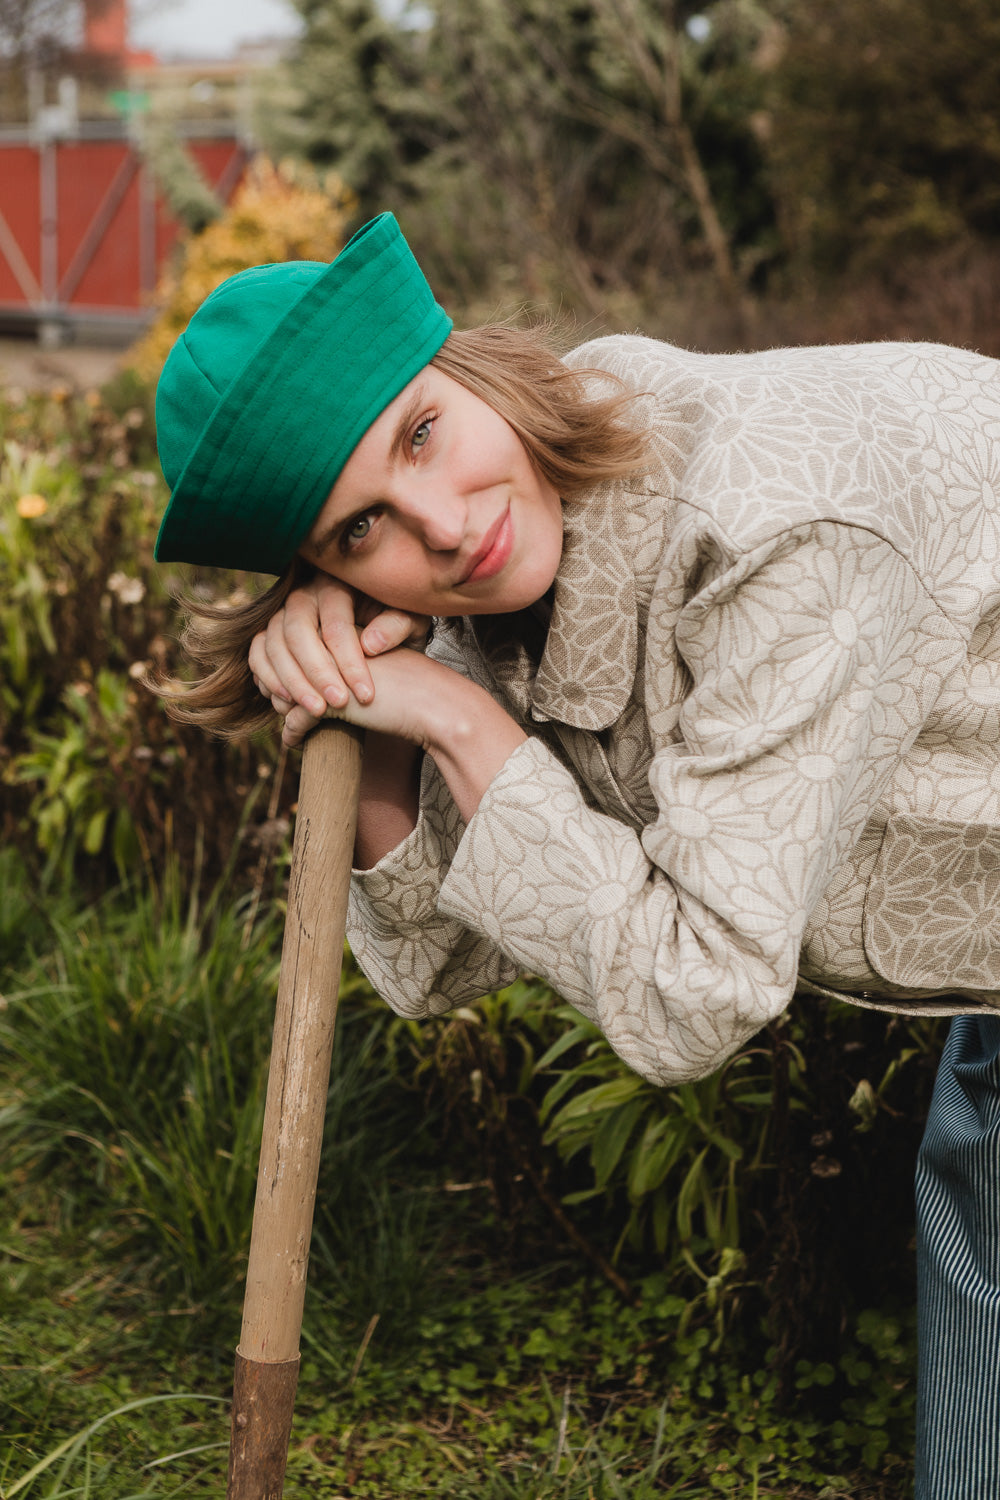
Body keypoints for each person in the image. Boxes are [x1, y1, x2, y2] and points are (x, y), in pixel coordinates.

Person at [154, 211, 1000, 1499]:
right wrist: (366, 706)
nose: (443, 527)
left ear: (471, 365)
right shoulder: (516, 548)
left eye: (420, 434)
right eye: (359, 529)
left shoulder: (776, 526)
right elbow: (432, 960)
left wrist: (453, 719)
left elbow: (696, 990)